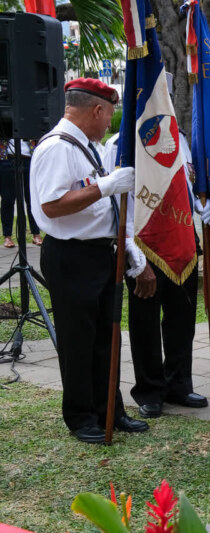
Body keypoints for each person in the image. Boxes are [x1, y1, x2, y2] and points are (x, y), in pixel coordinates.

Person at [30, 78, 148, 443]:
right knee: (79, 340)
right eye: (109, 114)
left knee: (106, 337)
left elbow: (97, 208)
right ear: (96, 110)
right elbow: (51, 205)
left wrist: (125, 243)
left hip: (99, 253)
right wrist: (106, 186)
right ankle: (81, 417)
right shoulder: (57, 148)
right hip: (72, 256)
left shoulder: (85, 147)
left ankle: (109, 408)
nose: (110, 123)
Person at [103, 76, 210, 419]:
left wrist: (203, 206)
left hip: (180, 240)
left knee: (182, 319)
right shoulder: (120, 146)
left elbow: (187, 187)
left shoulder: (179, 140)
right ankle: (149, 389)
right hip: (143, 245)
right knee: (145, 321)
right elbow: (119, 207)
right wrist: (135, 258)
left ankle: (179, 383)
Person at [0, 139, 42, 248]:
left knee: (32, 198)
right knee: (8, 199)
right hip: (6, 158)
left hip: (30, 158)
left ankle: (36, 234)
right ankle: (7, 236)